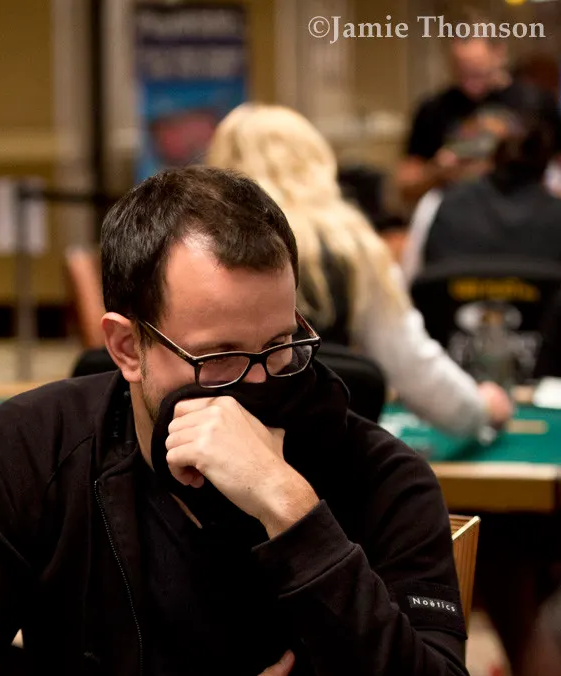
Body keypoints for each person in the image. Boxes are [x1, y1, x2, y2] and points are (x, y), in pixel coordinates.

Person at [0, 166, 476, 676]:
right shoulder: (32, 445)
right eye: (220, 358)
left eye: (281, 346)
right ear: (127, 347)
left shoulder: (383, 475)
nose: (259, 386)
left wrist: (292, 510)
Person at [206, 103, 513, 437]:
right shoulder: (353, 245)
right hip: (325, 452)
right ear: (315, 162)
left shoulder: (199, 248)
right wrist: (479, 408)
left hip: (218, 439)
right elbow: (411, 364)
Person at [398, 33, 561, 207]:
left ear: (499, 54)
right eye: (461, 72)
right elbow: (405, 186)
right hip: (459, 212)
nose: (469, 84)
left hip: (525, 212)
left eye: (477, 72)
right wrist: (437, 170)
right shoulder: (433, 110)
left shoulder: (536, 102)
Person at [418, 115, 561, 269]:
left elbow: (418, 277)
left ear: (492, 160)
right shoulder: (556, 217)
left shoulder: (438, 202)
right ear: (545, 170)